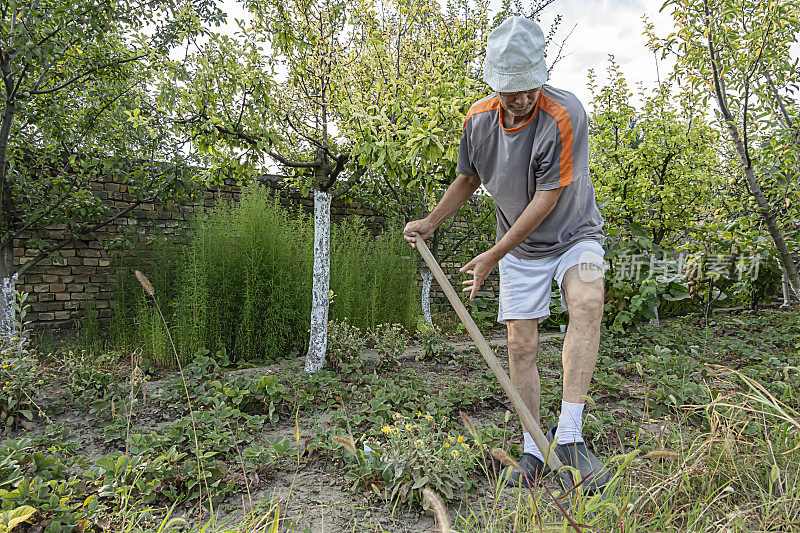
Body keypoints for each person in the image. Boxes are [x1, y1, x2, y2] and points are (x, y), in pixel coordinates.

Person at [403, 16, 610, 492]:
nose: (520, 99)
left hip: (573, 232)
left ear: (542, 75)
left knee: (587, 301)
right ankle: (535, 448)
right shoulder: (477, 120)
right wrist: (431, 223)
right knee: (521, 345)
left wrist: (492, 255)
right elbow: (470, 178)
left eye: (529, 88)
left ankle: (572, 438)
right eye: (510, 90)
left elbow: (546, 199)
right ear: (494, 84)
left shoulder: (565, 114)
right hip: (519, 245)